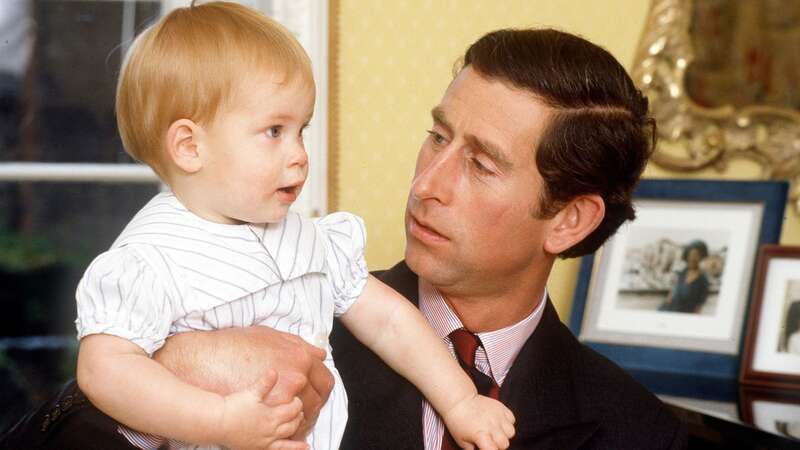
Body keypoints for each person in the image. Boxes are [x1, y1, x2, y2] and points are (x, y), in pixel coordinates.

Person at [0, 26, 686, 450]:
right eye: (437, 137)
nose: (427, 184)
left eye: (479, 164)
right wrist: (178, 371)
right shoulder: (295, 313)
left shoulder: (637, 430)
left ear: (570, 219)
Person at [659, 240, 710, 314]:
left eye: (696, 255)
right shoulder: (682, 273)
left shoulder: (703, 280)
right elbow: (672, 294)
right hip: (668, 310)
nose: (693, 258)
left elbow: (699, 307)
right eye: (691, 255)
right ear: (687, 257)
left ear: (701, 257)